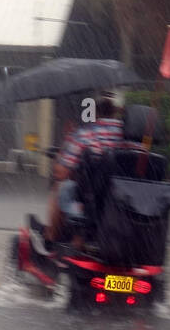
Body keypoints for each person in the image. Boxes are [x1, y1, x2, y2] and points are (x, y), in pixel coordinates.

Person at [42, 92, 125, 249]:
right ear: (116, 111)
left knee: (61, 186)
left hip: (90, 198)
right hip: (121, 197)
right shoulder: (127, 134)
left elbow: (61, 172)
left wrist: (66, 144)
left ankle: (51, 236)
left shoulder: (85, 133)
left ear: (93, 112)